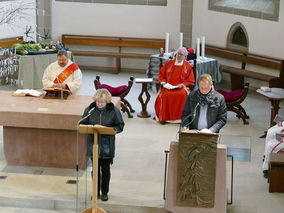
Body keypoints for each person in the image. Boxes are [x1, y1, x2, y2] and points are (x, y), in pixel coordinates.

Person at [80, 89, 125, 201]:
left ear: (107, 101)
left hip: (107, 146)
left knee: (105, 169)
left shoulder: (113, 111)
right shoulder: (90, 110)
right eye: (98, 102)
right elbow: (82, 123)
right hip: (93, 145)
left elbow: (120, 125)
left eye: (102, 102)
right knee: (95, 170)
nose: (99, 104)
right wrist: (85, 127)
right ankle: (95, 192)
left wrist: (113, 130)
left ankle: (104, 192)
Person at [154, 47, 195, 124]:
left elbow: (190, 80)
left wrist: (182, 84)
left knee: (183, 95)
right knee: (164, 95)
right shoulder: (169, 63)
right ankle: (164, 118)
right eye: (178, 54)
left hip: (181, 87)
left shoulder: (188, 66)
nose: (179, 56)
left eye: (181, 54)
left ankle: (181, 118)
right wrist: (163, 83)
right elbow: (161, 74)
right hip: (168, 86)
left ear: (185, 56)